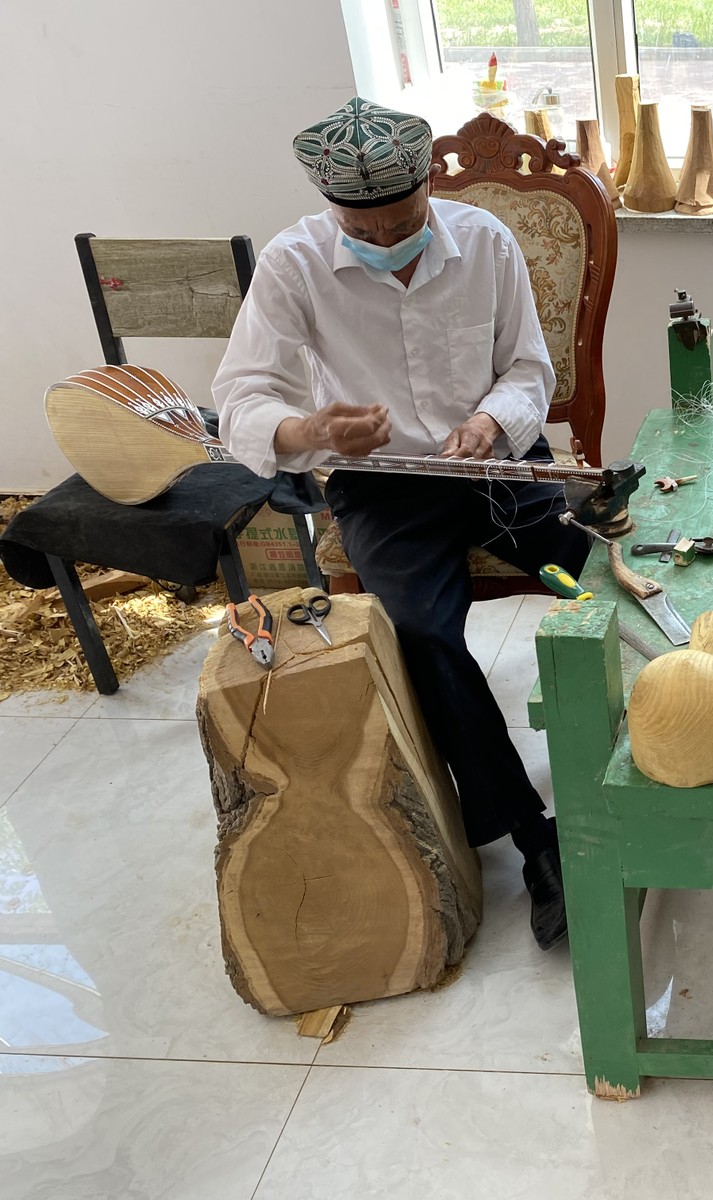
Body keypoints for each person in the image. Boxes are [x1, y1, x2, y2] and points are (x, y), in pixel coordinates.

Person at [213, 97, 588, 949]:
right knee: (423, 631)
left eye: (403, 224)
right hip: (380, 483)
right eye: (366, 231)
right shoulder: (294, 263)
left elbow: (529, 369)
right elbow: (239, 398)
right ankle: (536, 838)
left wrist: (490, 424)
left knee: (597, 562)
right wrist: (310, 432)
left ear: (427, 193)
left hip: (489, 458)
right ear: (333, 210)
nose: (387, 244)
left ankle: (646, 762)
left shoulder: (485, 244)